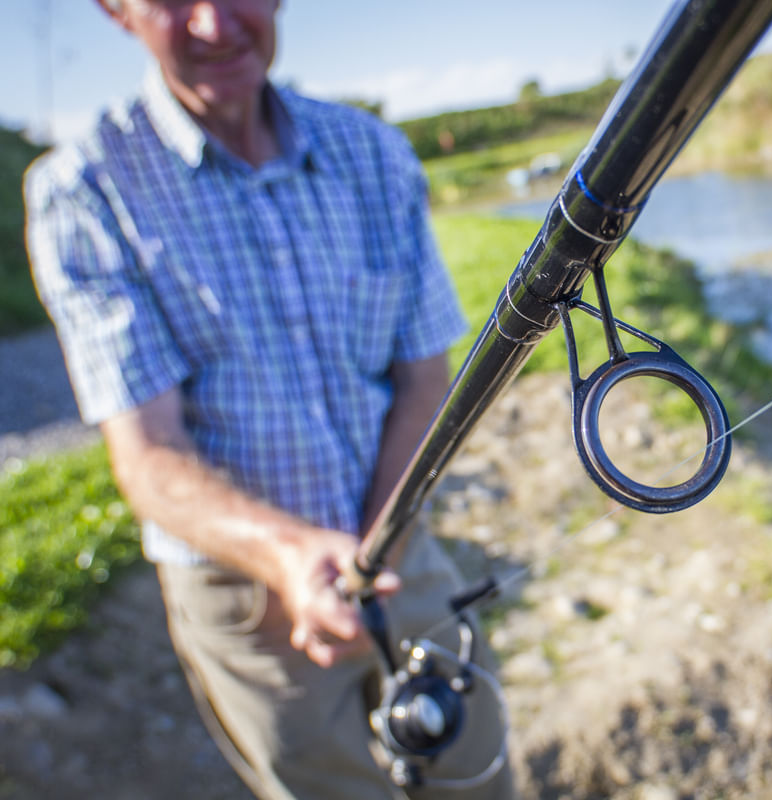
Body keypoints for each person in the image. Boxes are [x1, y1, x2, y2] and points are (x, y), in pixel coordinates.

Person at [24, 1, 513, 798]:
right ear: (117, 11)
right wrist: (285, 554)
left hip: (401, 546)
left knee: (474, 768)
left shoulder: (371, 152)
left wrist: (380, 541)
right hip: (244, 596)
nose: (214, 24)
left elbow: (425, 378)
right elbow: (148, 453)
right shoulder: (83, 191)